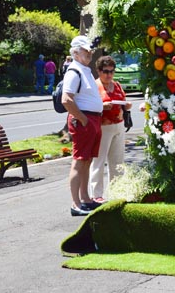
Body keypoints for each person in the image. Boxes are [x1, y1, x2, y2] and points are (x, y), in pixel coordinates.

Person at [62, 36, 104, 216]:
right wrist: (83, 119)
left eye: (90, 50)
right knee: (79, 161)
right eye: (86, 50)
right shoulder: (74, 71)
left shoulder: (84, 69)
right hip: (84, 120)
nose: (90, 53)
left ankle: (85, 199)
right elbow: (66, 99)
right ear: (76, 52)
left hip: (92, 119)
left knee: (87, 161)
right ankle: (76, 204)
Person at [89, 56, 132, 202]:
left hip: (118, 125)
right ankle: (97, 194)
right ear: (99, 71)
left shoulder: (117, 85)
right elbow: (88, 107)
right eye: (106, 71)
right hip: (102, 127)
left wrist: (126, 106)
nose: (109, 75)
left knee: (117, 161)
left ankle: (117, 191)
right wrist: (102, 106)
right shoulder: (94, 86)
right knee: (99, 161)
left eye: (112, 71)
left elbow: (123, 101)